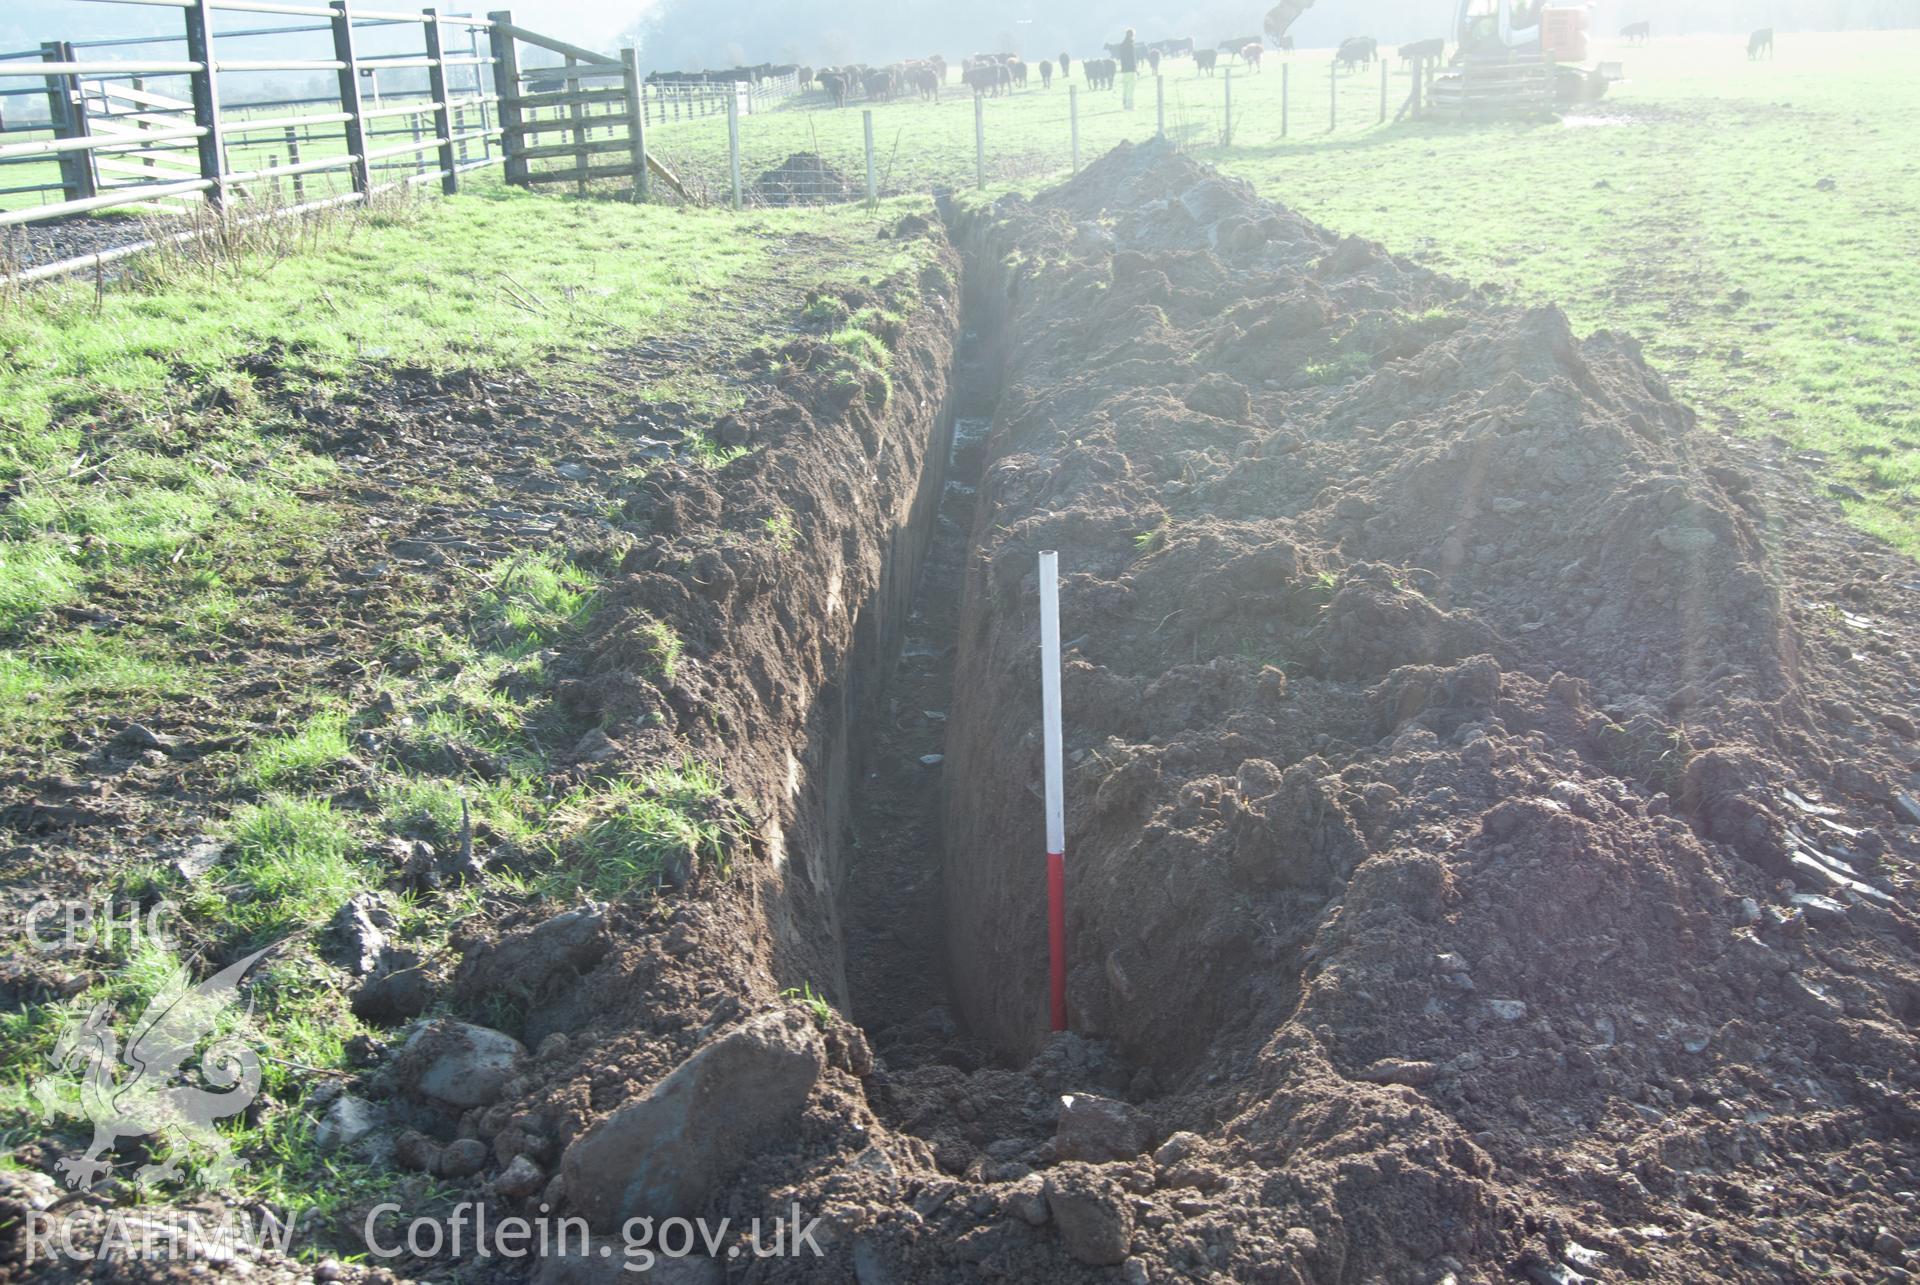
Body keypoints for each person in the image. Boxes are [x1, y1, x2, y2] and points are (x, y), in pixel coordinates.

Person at [1118, 27, 1138, 109]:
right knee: (1131, 87)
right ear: (1132, 35)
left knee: (1125, 87)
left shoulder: (1122, 45)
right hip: (1131, 69)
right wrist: (1135, 69)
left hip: (1124, 70)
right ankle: (1130, 105)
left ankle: (1125, 104)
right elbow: (1132, 58)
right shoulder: (1131, 45)